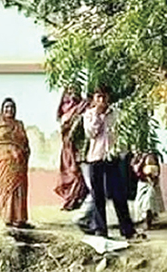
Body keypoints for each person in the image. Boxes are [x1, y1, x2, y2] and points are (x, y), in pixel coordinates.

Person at [83, 87, 141, 240]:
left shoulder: (116, 114)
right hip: (96, 158)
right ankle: (101, 230)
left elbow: (122, 134)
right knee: (98, 196)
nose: (102, 100)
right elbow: (91, 133)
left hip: (112, 158)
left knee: (118, 194)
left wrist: (125, 154)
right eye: (98, 97)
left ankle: (127, 230)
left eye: (104, 97)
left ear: (109, 97)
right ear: (94, 99)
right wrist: (98, 115)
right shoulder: (89, 115)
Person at [0, 97, 33, 229]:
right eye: (6, 107)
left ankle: (20, 219)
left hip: (19, 164)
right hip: (6, 164)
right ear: (2, 110)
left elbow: (25, 143)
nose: (9, 110)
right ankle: (8, 218)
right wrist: (9, 151)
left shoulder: (19, 125)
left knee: (20, 191)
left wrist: (23, 152)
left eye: (11, 107)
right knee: (8, 190)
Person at [54, 86, 89, 210]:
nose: (71, 95)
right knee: (68, 171)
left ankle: (76, 199)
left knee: (77, 173)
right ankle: (70, 199)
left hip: (78, 146)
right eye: (69, 92)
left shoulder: (82, 108)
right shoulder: (64, 110)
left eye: (74, 91)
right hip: (67, 147)